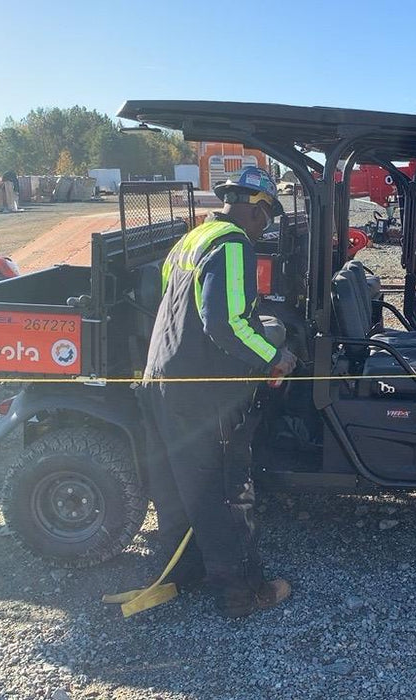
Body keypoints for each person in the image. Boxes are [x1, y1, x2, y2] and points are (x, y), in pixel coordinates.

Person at [137, 165, 298, 618]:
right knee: (225, 490)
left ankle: (182, 575)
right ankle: (243, 592)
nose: (264, 226)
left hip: (161, 379)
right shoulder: (232, 242)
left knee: (176, 488)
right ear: (256, 207)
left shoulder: (192, 238)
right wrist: (273, 357)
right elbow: (224, 323)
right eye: (266, 216)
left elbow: (175, 305)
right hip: (199, 391)